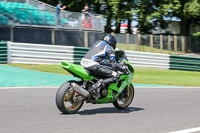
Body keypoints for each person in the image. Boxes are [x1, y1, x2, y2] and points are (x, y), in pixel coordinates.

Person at [80, 34, 124, 99]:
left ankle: (86, 85)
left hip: (83, 62)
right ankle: (94, 88)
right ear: (113, 43)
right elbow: (114, 65)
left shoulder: (98, 43)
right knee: (116, 75)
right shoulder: (109, 47)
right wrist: (121, 69)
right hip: (92, 64)